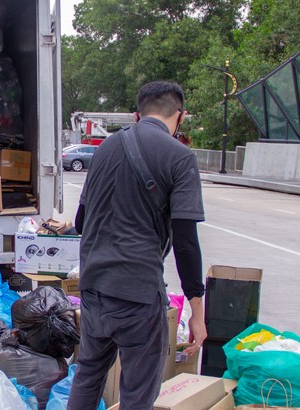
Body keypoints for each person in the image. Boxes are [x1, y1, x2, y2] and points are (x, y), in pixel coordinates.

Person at [67, 81, 207, 409]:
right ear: (181, 117)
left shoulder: (104, 148)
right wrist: (197, 313)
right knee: (136, 394)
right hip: (138, 295)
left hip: (93, 288)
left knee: (88, 374)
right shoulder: (181, 158)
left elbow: (81, 222)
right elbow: (186, 243)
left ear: (136, 115)